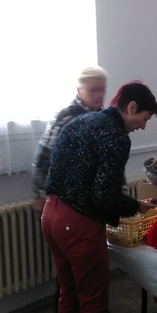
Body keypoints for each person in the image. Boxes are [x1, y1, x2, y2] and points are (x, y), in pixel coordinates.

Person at [41, 81, 157, 313]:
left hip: (51, 215)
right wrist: (134, 206)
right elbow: (102, 195)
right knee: (93, 302)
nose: (143, 126)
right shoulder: (115, 136)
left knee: (69, 295)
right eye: (144, 118)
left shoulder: (80, 121)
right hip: (77, 222)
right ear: (130, 107)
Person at [32, 66, 109, 214]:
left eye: (102, 89)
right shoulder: (66, 117)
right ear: (79, 91)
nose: (100, 95)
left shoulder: (104, 117)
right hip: (65, 201)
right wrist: (39, 195)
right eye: (93, 90)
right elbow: (43, 157)